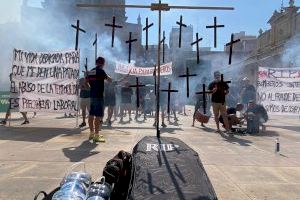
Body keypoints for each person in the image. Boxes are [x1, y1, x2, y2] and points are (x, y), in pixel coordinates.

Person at [86, 57, 112, 143]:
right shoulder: (101, 71)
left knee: (91, 114)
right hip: (99, 96)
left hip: (92, 96)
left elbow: (87, 84)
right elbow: (110, 80)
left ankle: (91, 133)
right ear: (103, 64)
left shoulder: (90, 72)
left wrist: (92, 88)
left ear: (96, 63)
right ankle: (96, 135)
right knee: (97, 116)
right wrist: (108, 76)